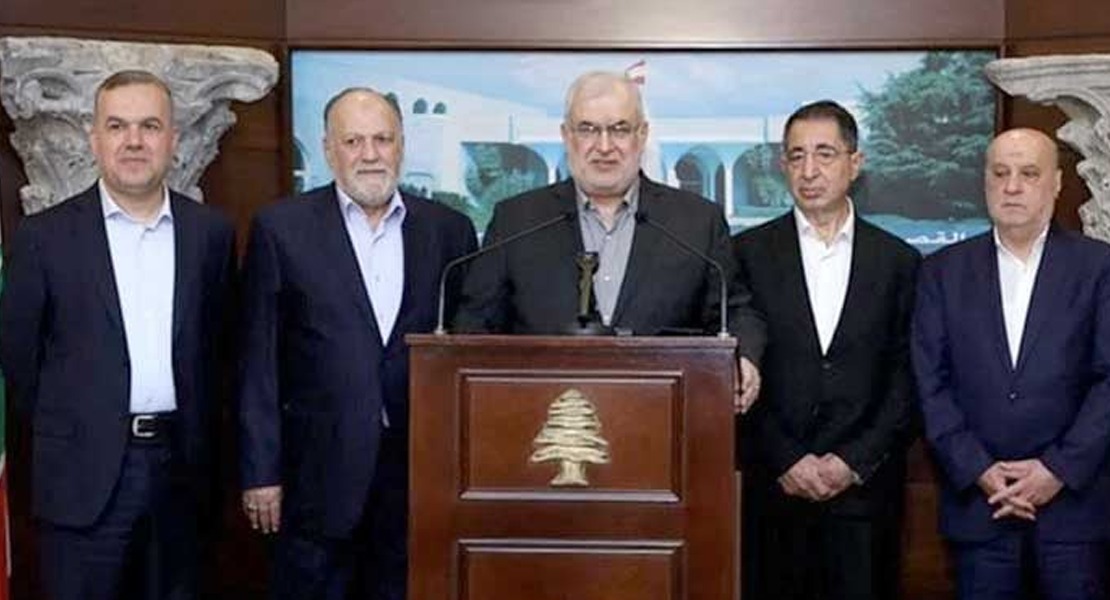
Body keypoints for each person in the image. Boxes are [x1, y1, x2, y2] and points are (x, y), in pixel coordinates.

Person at [0, 70, 236, 600]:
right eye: (117, 126)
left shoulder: (211, 234)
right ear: (95, 139)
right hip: (82, 479)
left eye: (149, 126)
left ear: (173, 139)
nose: (134, 141)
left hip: (183, 474)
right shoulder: (43, 237)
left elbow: (222, 352)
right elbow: (20, 363)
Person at [237, 87, 477, 600]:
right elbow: (257, 361)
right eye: (353, 141)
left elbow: (468, 355)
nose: (370, 154)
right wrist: (261, 473)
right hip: (316, 477)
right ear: (329, 149)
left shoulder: (449, 231)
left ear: (401, 145)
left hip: (418, 475)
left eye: (382, 139)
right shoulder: (281, 229)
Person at [454, 70, 764, 410]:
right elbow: (474, 323)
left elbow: (735, 313)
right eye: (588, 129)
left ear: (642, 135)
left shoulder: (696, 222)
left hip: (663, 418)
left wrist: (744, 357)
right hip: (540, 420)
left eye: (619, 129)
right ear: (566, 135)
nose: (604, 146)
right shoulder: (517, 220)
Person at [733, 100, 920, 600]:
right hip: (774, 492)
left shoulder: (898, 261)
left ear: (855, 163)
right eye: (796, 156)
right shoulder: (745, 255)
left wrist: (852, 461)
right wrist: (786, 458)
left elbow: (908, 376)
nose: (809, 171)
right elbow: (730, 371)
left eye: (824, 154)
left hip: (865, 494)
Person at [913, 128, 1110, 600]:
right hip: (981, 507)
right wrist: (980, 470)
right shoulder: (942, 272)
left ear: (1057, 183)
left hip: (1073, 512)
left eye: (1028, 173)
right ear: (985, 182)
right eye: (1000, 173)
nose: (1012, 187)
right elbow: (929, 383)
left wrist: (1056, 470)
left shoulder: (1099, 267)